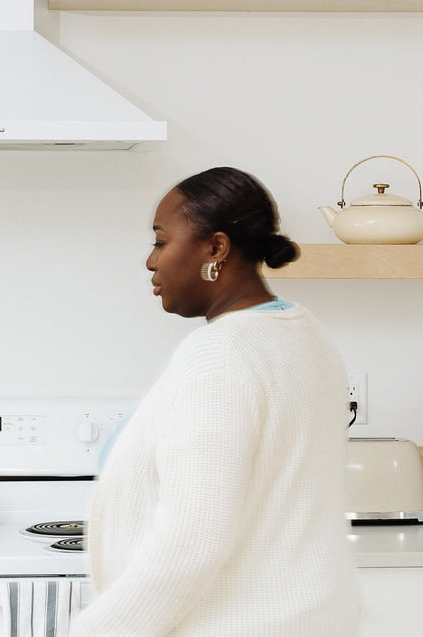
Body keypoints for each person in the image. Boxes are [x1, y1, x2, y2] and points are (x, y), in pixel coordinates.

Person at [72, 166, 360, 636]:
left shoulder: (222, 354)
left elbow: (191, 539)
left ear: (216, 249)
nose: (151, 261)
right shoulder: (306, 335)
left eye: (161, 242)